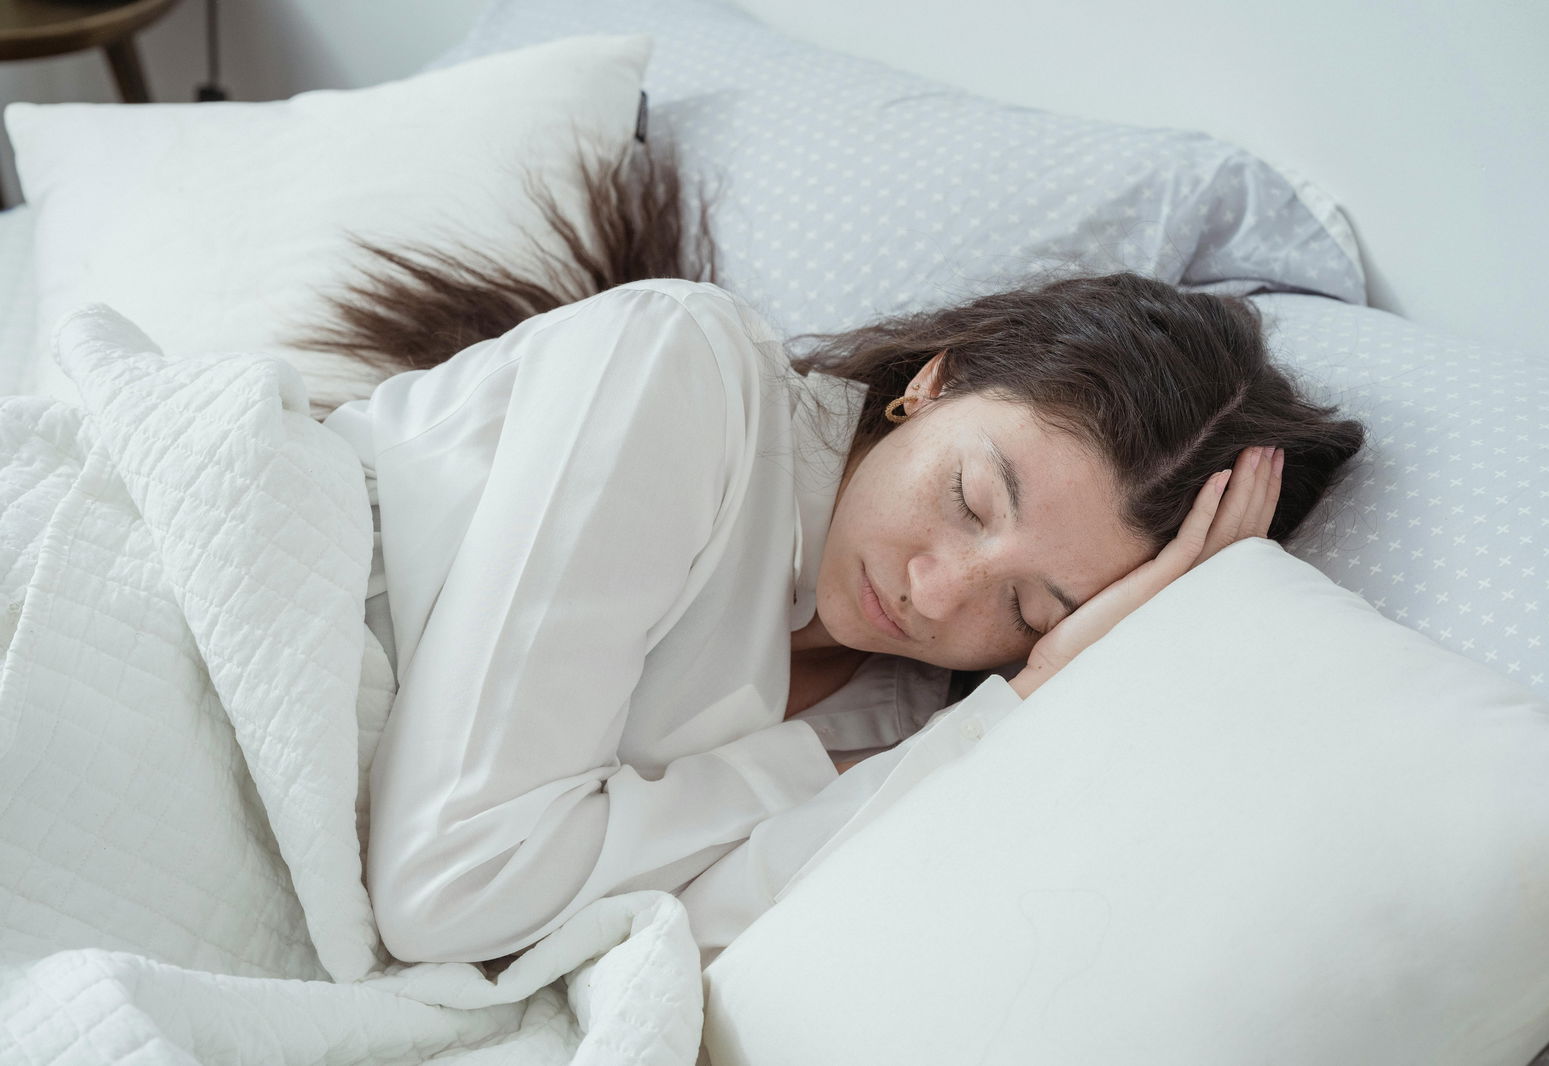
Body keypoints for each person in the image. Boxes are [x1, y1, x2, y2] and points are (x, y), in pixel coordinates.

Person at [306, 143, 1364, 969]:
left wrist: (1031, 697)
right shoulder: (680, 374)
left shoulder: (909, 725)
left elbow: (661, 948)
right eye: (967, 496)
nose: (938, 591)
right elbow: (447, 890)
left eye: (1034, 610)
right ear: (935, 381)